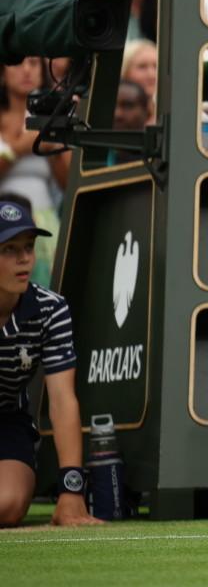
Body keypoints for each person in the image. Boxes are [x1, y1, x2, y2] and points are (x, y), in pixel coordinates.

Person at [0, 200, 102, 528]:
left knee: (9, 505)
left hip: (7, 422)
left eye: (28, 247)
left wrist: (71, 490)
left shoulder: (50, 309)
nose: (24, 259)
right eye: (9, 249)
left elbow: (62, 400)